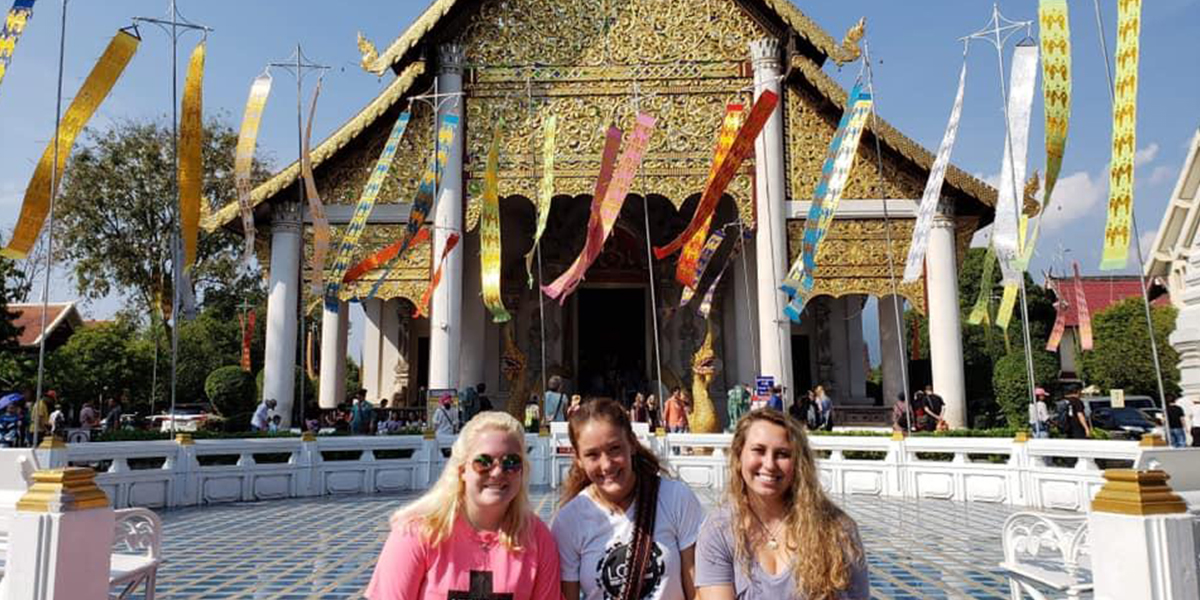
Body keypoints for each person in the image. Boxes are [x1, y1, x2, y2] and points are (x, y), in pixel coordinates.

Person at [365, 411, 561, 600]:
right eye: (483, 462)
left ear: (522, 471)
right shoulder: (415, 532)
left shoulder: (537, 537)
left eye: (511, 462)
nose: (497, 472)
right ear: (462, 470)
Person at [695, 409, 869, 600]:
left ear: (798, 463)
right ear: (739, 456)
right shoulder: (719, 530)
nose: (769, 464)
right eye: (758, 451)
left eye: (782, 454)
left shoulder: (837, 529)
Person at [553, 398, 705, 600]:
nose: (606, 465)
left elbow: (698, 590)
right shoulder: (568, 521)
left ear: (632, 444)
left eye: (614, 449)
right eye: (592, 455)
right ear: (579, 460)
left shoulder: (676, 498)